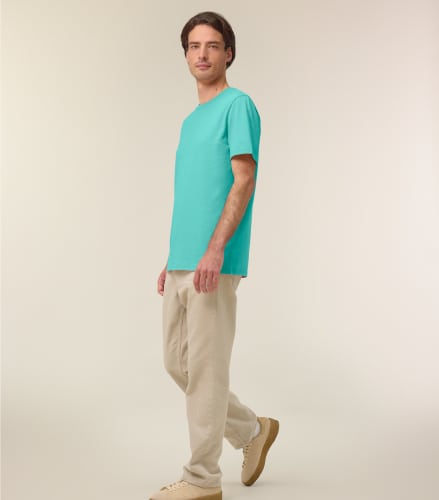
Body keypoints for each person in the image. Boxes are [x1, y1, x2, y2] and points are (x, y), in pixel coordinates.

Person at [151, 11, 279, 500]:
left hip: (214, 262)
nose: (202, 54)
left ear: (228, 53)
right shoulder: (190, 122)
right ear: (186, 55)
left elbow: (243, 180)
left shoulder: (237, 106)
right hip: (183, 260)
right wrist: (173, 256)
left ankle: (202, 479)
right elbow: (194, 194)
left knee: (205, 370)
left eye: (212, 45)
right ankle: (251, 431)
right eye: (193, 46)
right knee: (178, 364)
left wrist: (214, 249)